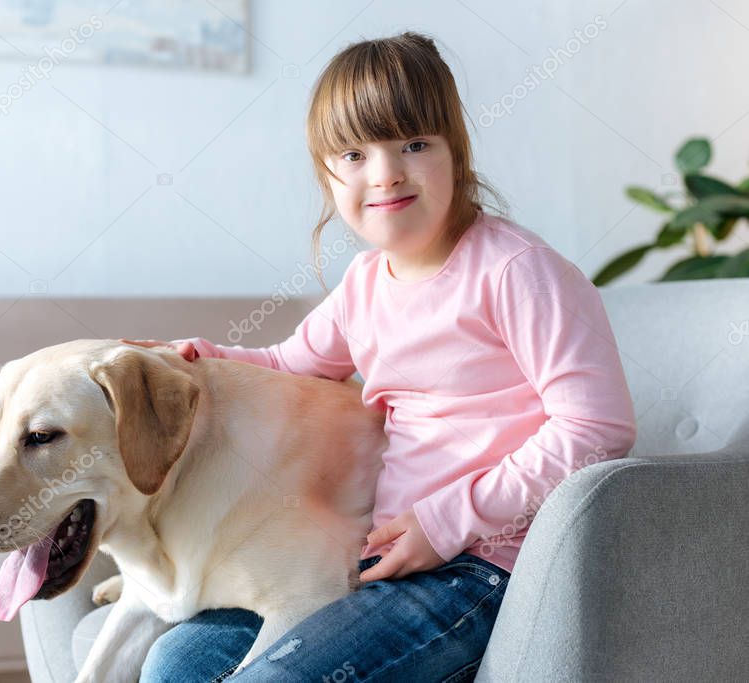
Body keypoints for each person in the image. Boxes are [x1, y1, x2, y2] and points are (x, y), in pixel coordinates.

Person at [123, 30, 637, 682]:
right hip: (384, 557)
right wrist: (197, 358)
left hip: (486, 568)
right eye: (354, 153)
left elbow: (596, 427)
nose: (385, 171)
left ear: (456, 153)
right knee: (177, 660)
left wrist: (445, 520)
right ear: (326, 176)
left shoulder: (515, 270)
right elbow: (292, 363)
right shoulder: (366, 283)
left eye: (414, 144)